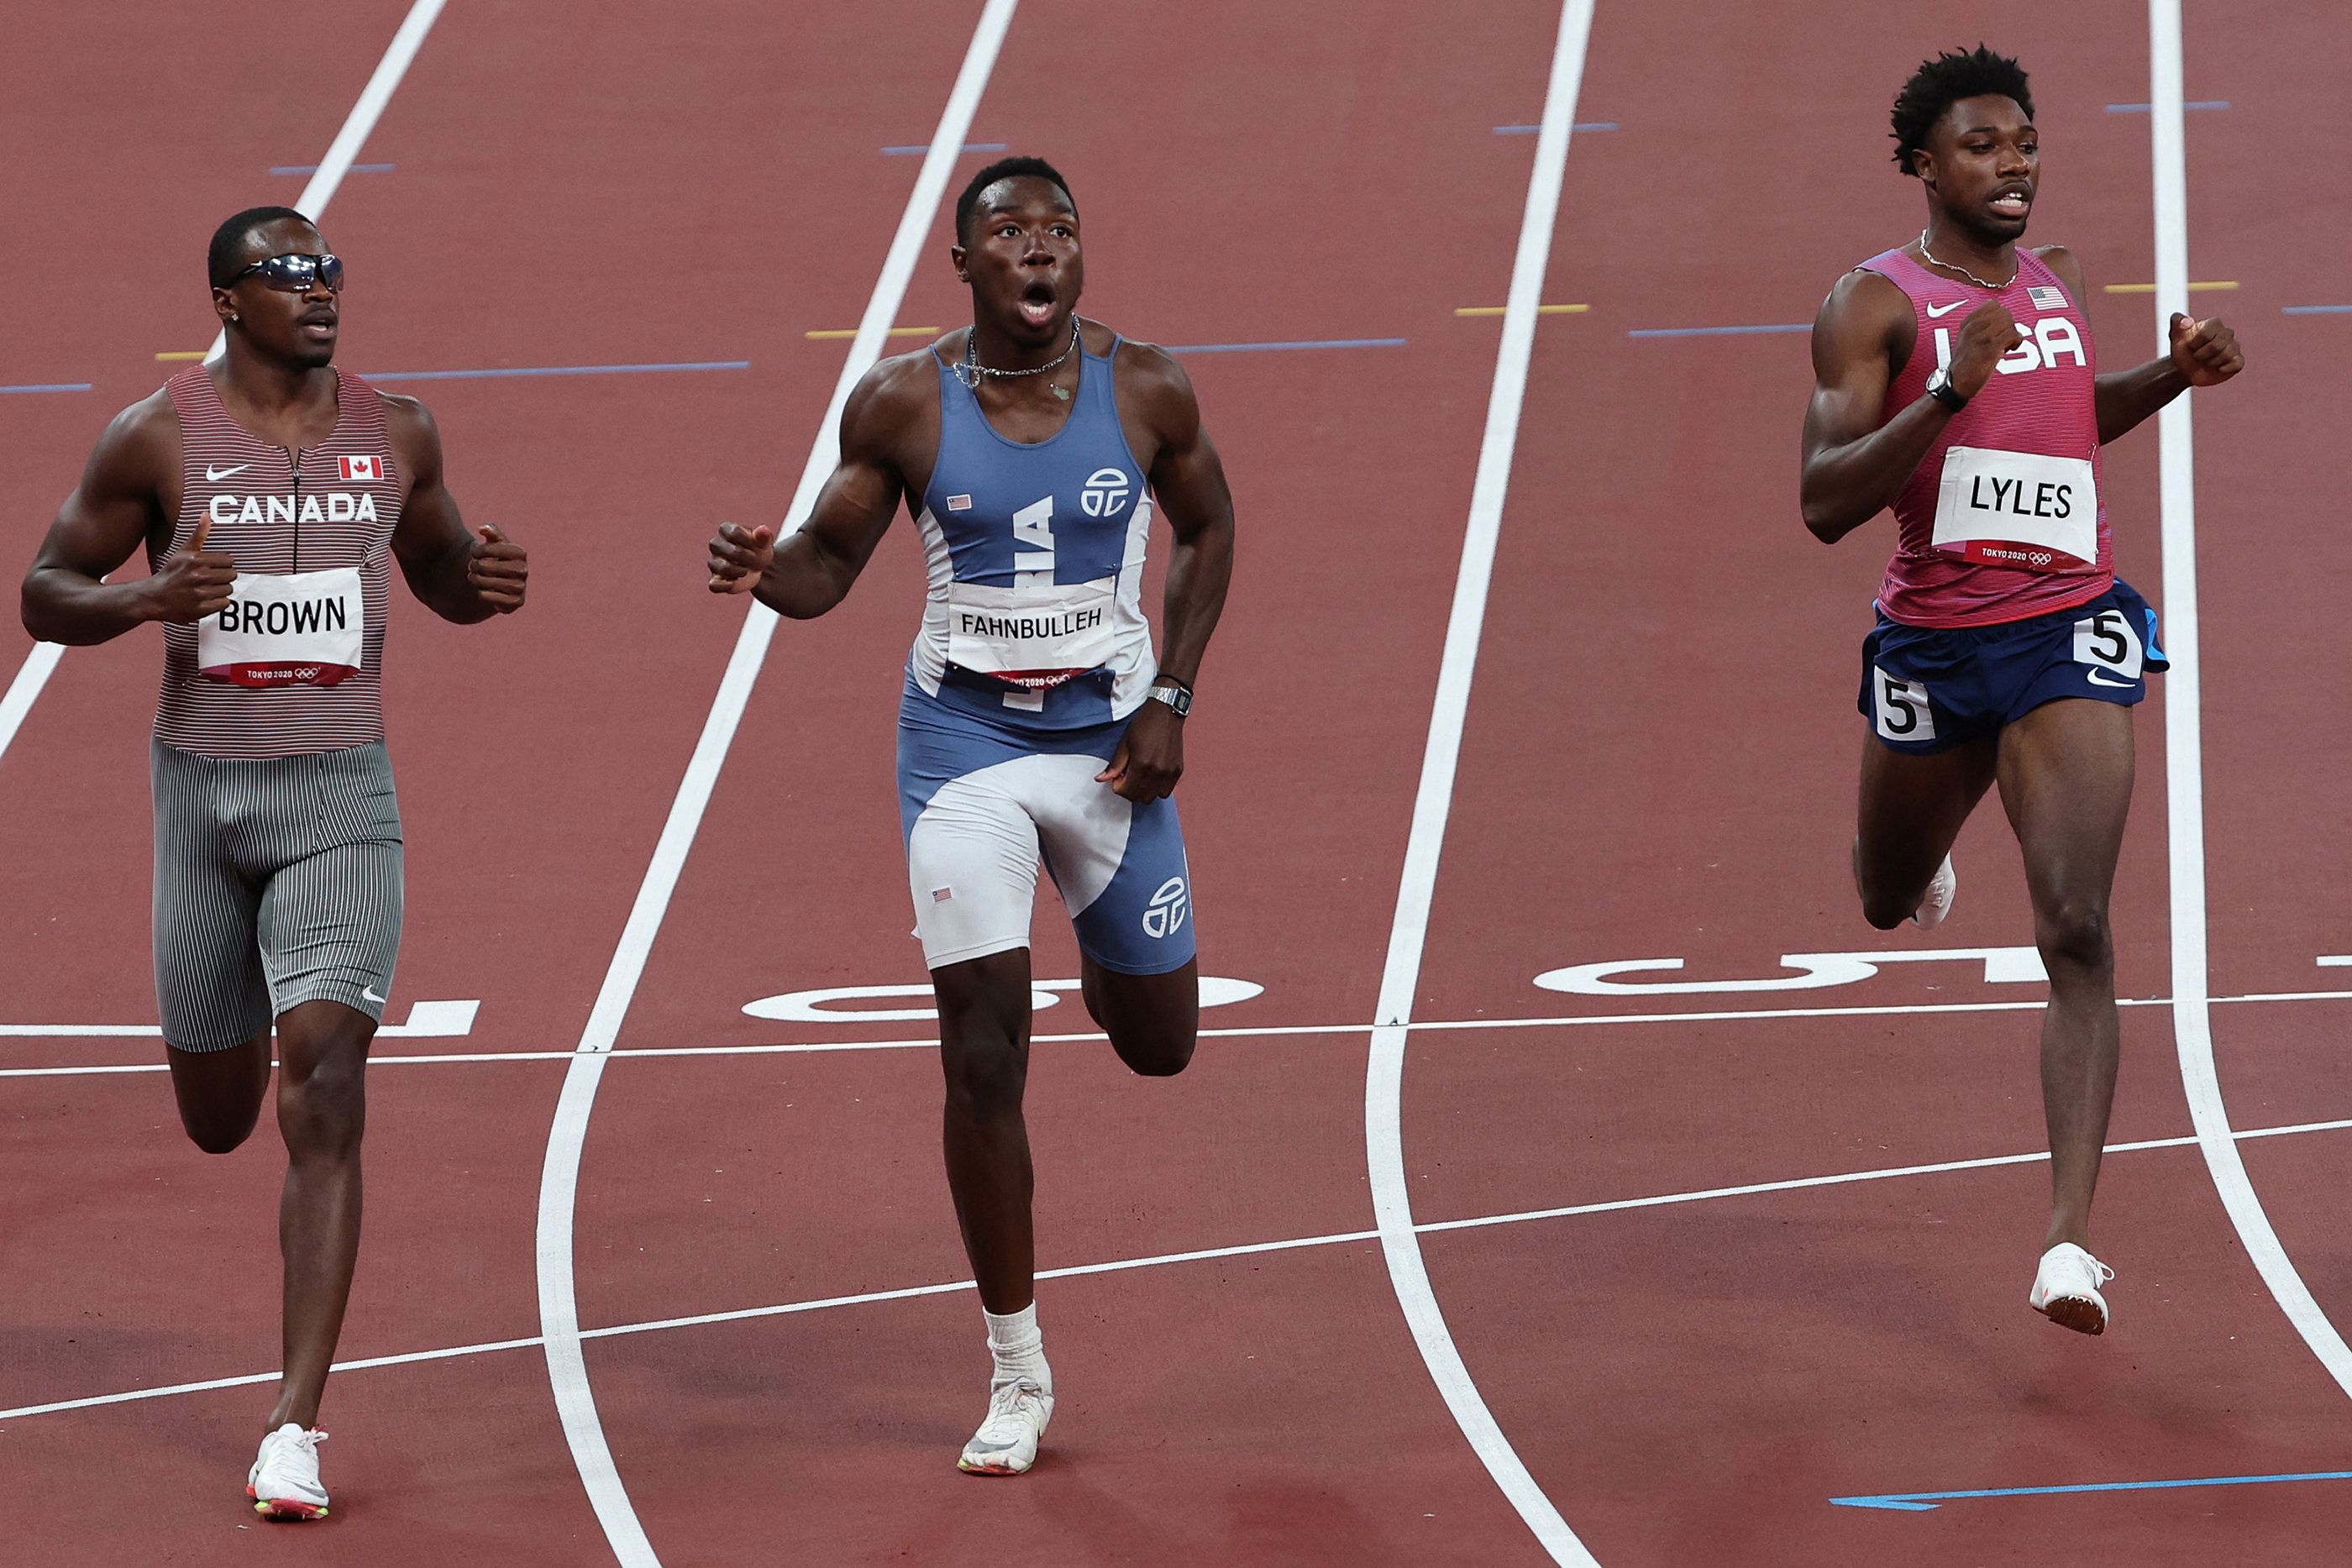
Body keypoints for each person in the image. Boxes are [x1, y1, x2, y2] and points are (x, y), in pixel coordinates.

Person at [706, 156, 1235, 1473]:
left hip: (1110, 755)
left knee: (1160, 1045)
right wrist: (770, 574)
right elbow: (829, 566)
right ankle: (1016, 1367)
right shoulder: (901, 401)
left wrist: (1171, 692)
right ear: (966, 264)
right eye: (1010, 233)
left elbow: (1213, 531)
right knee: (983, 1053)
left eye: (1060, 230)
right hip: (962, 753)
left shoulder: (1150, 385)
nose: (1040, 251)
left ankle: (1113, 965)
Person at [19, 206, 528, 1516]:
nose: (320, 293)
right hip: (203, 806)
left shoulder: (396, 432)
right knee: (219, 1117)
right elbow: (43, 589)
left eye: (331, 272)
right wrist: (143, 600)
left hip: (339, 796)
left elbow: (441, 574)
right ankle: (238, 1024)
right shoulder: (155, 436)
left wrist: (484, 579)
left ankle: (294, 1424)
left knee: (327, 1083)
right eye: (289, 276)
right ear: (228, 301)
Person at [1800, 48, 2242, 1334]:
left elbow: (2056, 431)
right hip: (1937, 648)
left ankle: (2067, 1244)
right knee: (1884, 899)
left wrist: (2171, 377)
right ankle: (1926, 845)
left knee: (2080, 930)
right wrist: (1945, 386)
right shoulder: (1871, 305)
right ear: (1924, 167)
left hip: (2068, 631)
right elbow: (1825, 501)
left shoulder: (2053, 288)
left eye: (2028, 145)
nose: (2015, 167)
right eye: (1985, 148)